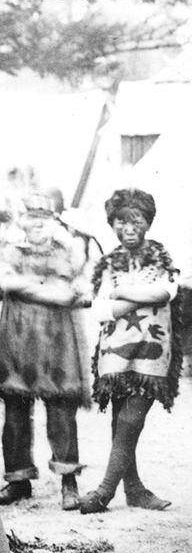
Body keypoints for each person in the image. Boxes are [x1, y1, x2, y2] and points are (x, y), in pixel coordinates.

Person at [0, 191, 89, 510]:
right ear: (23, 222)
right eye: (33, 219)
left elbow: (79, 289)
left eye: (46, 219)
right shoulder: (11, 250)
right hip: (18, 341)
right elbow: (4, 282)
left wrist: (35, 287)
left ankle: (68, 480)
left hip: (57, 343)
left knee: (61, 411)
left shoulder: (69, 250)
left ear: (55, 221)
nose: (39, 225)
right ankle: (18, 480)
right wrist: (50, 292)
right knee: (15, 409)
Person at [78, 188, 180, 513]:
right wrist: (139, 295)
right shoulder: (108, 263)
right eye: (121, 222)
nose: (128, 228)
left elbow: (166, 291)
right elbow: (100, 311)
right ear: (113, 226)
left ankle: (104, 491)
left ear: (147, 223)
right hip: (116, 350)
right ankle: (134, 489)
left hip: (152, 349)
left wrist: (121, 292)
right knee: (122, 417)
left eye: (135, 220)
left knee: (131, 417)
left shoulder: (161, 257)